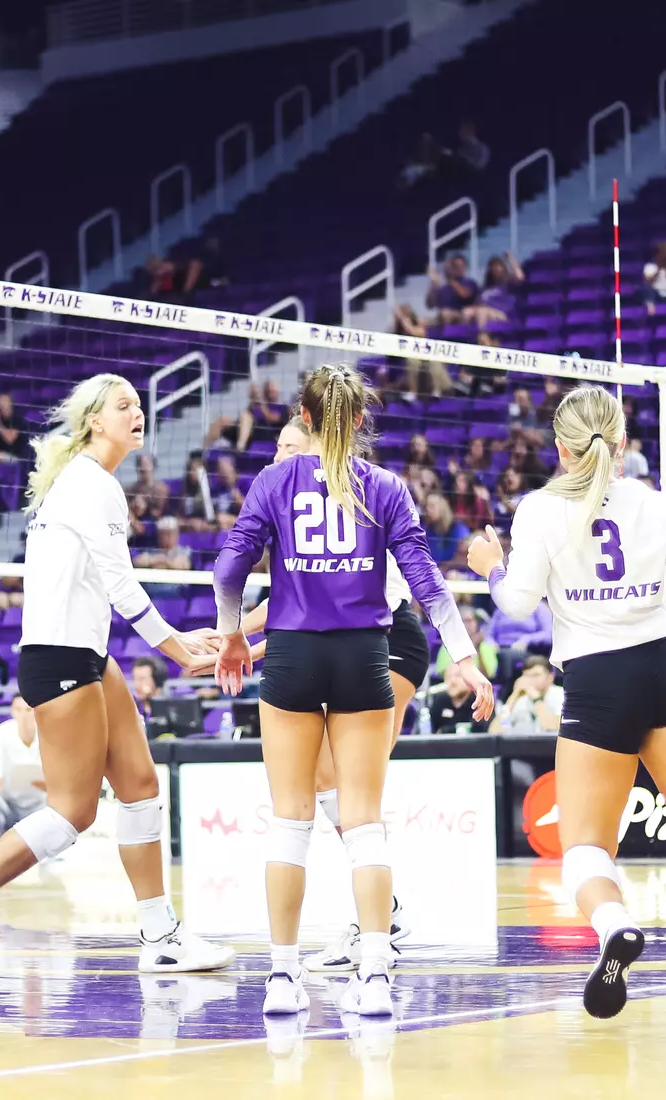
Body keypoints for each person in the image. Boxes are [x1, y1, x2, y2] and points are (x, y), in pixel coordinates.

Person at [0, 372, 232, 979]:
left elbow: (106, 588)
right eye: (124, 405)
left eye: (139, 404)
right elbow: (122, 587)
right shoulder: (91, 484)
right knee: (71, 815)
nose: (136, 412)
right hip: (60, 658)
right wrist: (175, 649)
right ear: (95, 420)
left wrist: (179, 637)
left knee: (141, 785)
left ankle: (160, 934)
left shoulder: (88, 481)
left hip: (88, 654)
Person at [211, 364, 493, 1019]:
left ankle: (283, 980)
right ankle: (373, 975)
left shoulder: (275, 480)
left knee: (290, 822)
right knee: (364, 823)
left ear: (303, 420)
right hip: (365, 656)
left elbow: (229, 570)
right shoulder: (387, 485)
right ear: (359, 422)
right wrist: (469, 661)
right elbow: (429, 586)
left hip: (293, 656)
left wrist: (229, 636)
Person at [465, 384, 666, 1020]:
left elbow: (514, 604)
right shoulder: (656, 502)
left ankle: (616, 922)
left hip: (596, 681)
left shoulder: (539, 510)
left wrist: (490, 565)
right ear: (622, 442)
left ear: (562, 449)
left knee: (585, 848)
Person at [236, 412, 440, 971]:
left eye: (290, 446)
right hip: (333, 640)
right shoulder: (293, 498)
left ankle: (378, 927)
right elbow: (290, 606)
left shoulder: (354, 494)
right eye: (276, 446)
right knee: (328, 781)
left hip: (387, 638)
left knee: (354, 794)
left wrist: (234, 637)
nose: (279, 456)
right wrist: (235, 644)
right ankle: (381, 915)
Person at [0, 697, 46, 837]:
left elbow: (62, 781)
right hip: (9, 804)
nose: (24, 715)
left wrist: (49, 786)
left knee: (62, 806)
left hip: (41, 804)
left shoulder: (50, 733)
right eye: (18, 710)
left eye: (28, 710)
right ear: (12, 712)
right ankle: (3, 838)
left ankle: (51, 845)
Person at [489, 655, 564, 734]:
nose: (530, 680)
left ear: (550, 677)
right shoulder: (520, 701)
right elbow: (496, 731)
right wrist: (513, 698)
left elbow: (551, 726)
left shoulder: (561, 696)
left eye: (536, 675)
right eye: (526, 676)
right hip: (524, 745)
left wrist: (536, 699)